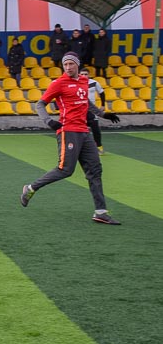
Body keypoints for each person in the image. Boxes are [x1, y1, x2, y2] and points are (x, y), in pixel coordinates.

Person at [20, 51, 121, 225]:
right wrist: (49, 121)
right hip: (68, 131)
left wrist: (103, 114)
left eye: (71, 64)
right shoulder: (59, 83)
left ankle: (101, 212)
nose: (68, 67)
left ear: (77, 65)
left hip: (84, 132)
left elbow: (85, 103)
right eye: (65, 64)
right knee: (65, 169)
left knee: (95, 170)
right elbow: (40, 104)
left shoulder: (83, 81)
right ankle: (31, 188)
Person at [84, 68, 106, 155]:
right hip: (81, 110)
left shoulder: (94, 83)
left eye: (86, 74)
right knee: (81, 130)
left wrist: (103, 105)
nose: (84, 76)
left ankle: (99, 147)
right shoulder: (77, 83)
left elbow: (102, 93)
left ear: (89, 75)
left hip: (92, 110)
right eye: (82, 74)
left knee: (95, 129)